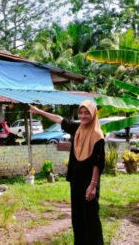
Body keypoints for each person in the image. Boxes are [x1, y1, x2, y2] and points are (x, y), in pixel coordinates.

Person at [30, 100, 104, 245]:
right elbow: (60, 119)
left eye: (87, 113)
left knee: (91, 218)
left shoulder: (97, 135)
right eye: (81, 113)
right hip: (76, 181)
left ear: (93, 114)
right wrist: (39, 112)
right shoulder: (78, 128)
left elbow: (98, 162)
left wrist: (93, 185)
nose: (83, 116)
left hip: (89, 183)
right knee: (77, 218)